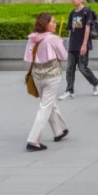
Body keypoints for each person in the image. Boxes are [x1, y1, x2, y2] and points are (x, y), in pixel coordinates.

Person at [25, 13, 69, 151]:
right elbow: (64, 56)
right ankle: (33, 139)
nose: (55, 24)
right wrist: (59, 43)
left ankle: (59, 130)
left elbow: (30, 57)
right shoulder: (53, 39)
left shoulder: (32, 38)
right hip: (52, 76)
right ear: (46, 24)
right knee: (45, 106)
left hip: (37, 76)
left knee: (48, 102)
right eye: (53, 22)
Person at [58, 0, 98, 100]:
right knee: (69, 68)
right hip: (73, 45)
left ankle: (96, 84)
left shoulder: (87, 11)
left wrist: (84, 45)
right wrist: (68, 43)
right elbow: (70, 30)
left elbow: (87, 28)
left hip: (82, 44)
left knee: (82, 68)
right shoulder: (72, 13)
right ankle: (69, 90)